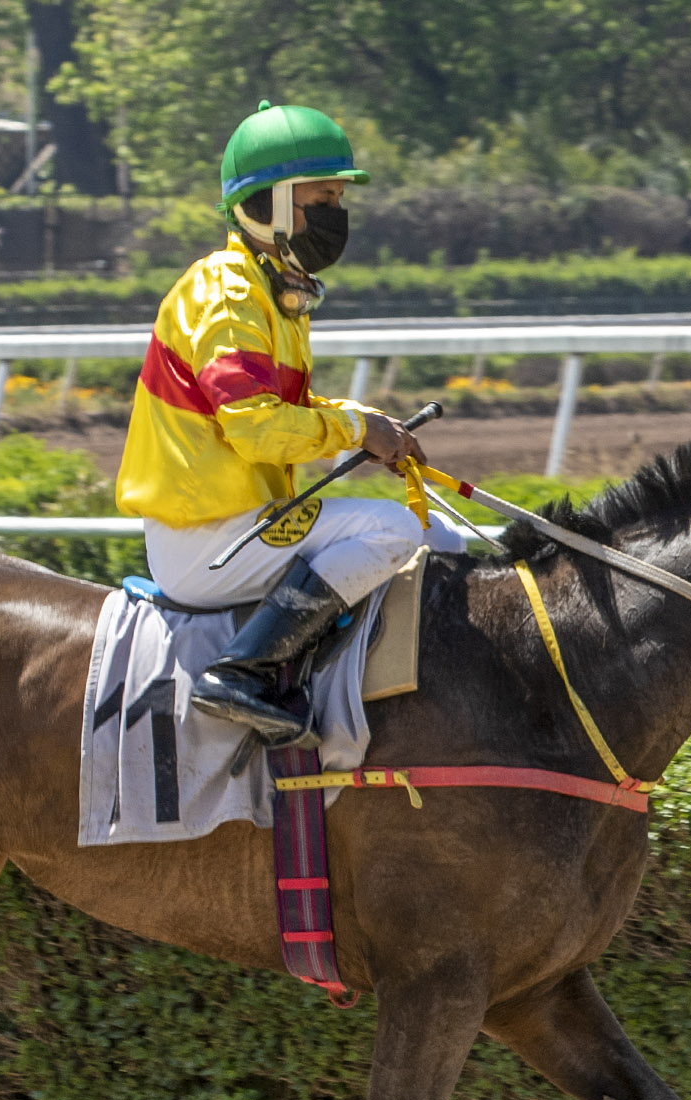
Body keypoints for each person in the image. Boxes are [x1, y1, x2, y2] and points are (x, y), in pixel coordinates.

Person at [115, 101, 450, 744]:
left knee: (445, 540)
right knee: (394, 530)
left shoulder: (271, 288)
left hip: (240, 525)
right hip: (208, 541)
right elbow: (257, 428)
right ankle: (241, 672)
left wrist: (366, 422)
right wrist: (358, 432)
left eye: (338, 199)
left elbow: (288, 409)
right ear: (268, 202)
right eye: (321, 197)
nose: (335, 213)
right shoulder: (228, 292)